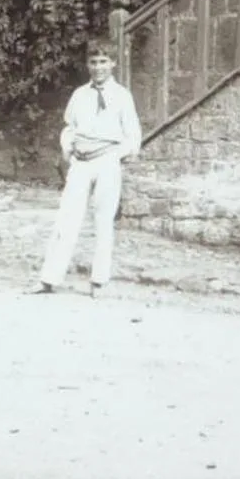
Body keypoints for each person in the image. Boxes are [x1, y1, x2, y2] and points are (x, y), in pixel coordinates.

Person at [29, 40, 141, 296]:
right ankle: (48, 279)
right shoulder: (80, 94)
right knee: (66, 219)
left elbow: (133, 134)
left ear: (113, 63)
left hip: (107, 161)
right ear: (87, 65)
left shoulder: (122, 96)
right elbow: (70, 127)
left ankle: (98, 281)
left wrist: (116, 155)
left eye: (103, 62)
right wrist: (68, 148)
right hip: (81, 162)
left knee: (103, 221)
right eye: (93, 62)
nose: (98, 67)